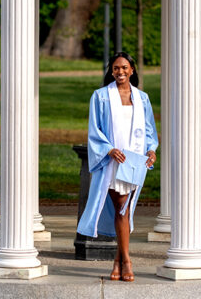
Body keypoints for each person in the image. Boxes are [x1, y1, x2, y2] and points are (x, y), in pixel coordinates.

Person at [77, 52, 158, 282]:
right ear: (111, 71)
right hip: (113, 163)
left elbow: (150, 130)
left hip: (134, 162)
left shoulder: (142, 98)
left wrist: (151, 150)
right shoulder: (101, 97)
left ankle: (117, 261)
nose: (120, 72)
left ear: (132, 70)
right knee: (122, 207)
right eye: (115, 68)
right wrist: (109, 149)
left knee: (125, 210)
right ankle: (127, 261)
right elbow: (95, 130)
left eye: (124, 68)